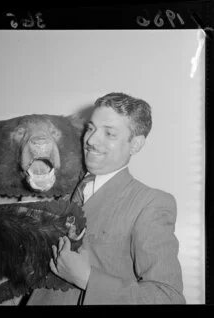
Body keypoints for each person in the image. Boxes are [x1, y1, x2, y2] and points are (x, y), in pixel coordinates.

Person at [26, 92, 186, 305]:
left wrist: (87, 278)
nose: (91, 140)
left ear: (135, 144)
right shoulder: (60, 193)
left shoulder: (150, 203)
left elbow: (169, 297)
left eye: (109, 134)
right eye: (90, 128)